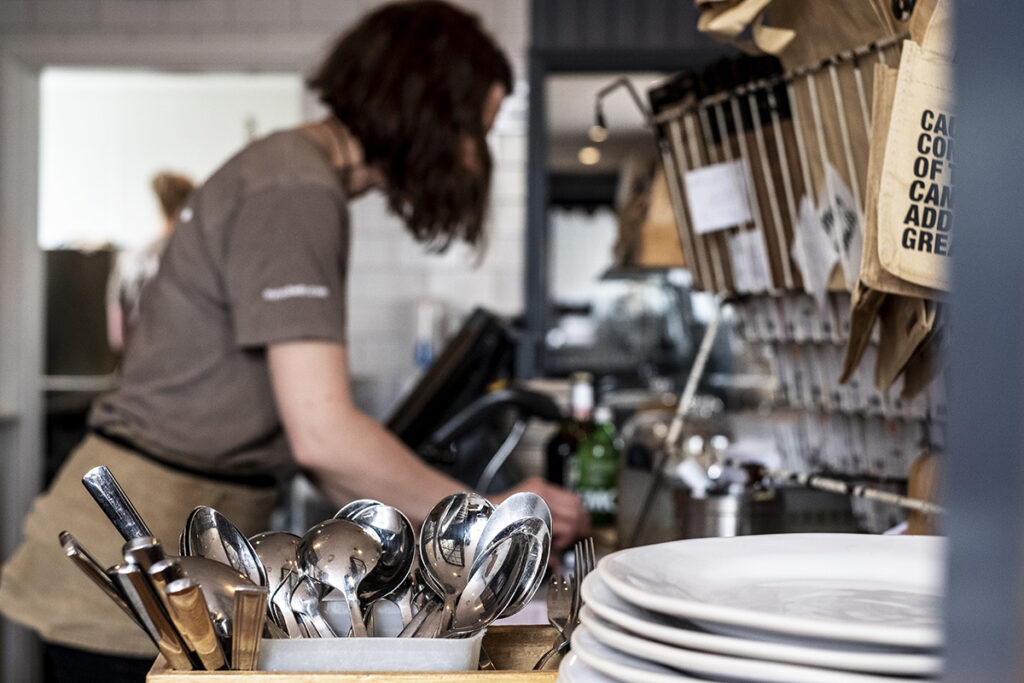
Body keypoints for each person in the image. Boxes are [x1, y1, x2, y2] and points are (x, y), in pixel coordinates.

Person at [0, 3, 589, 680]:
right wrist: (489, 525)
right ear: (423, 103)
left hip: (174, 551)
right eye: (470, 132)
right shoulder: (295, 187)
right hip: (142, 556)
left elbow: (321, 444)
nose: (469, 159)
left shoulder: (296, 176)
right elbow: (325, 437)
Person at [105, 170, 194, 352]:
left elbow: (118, 336)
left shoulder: (130, 260)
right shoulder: (202, 259)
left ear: (159, 208)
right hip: (192, 361)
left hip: (143, 361)